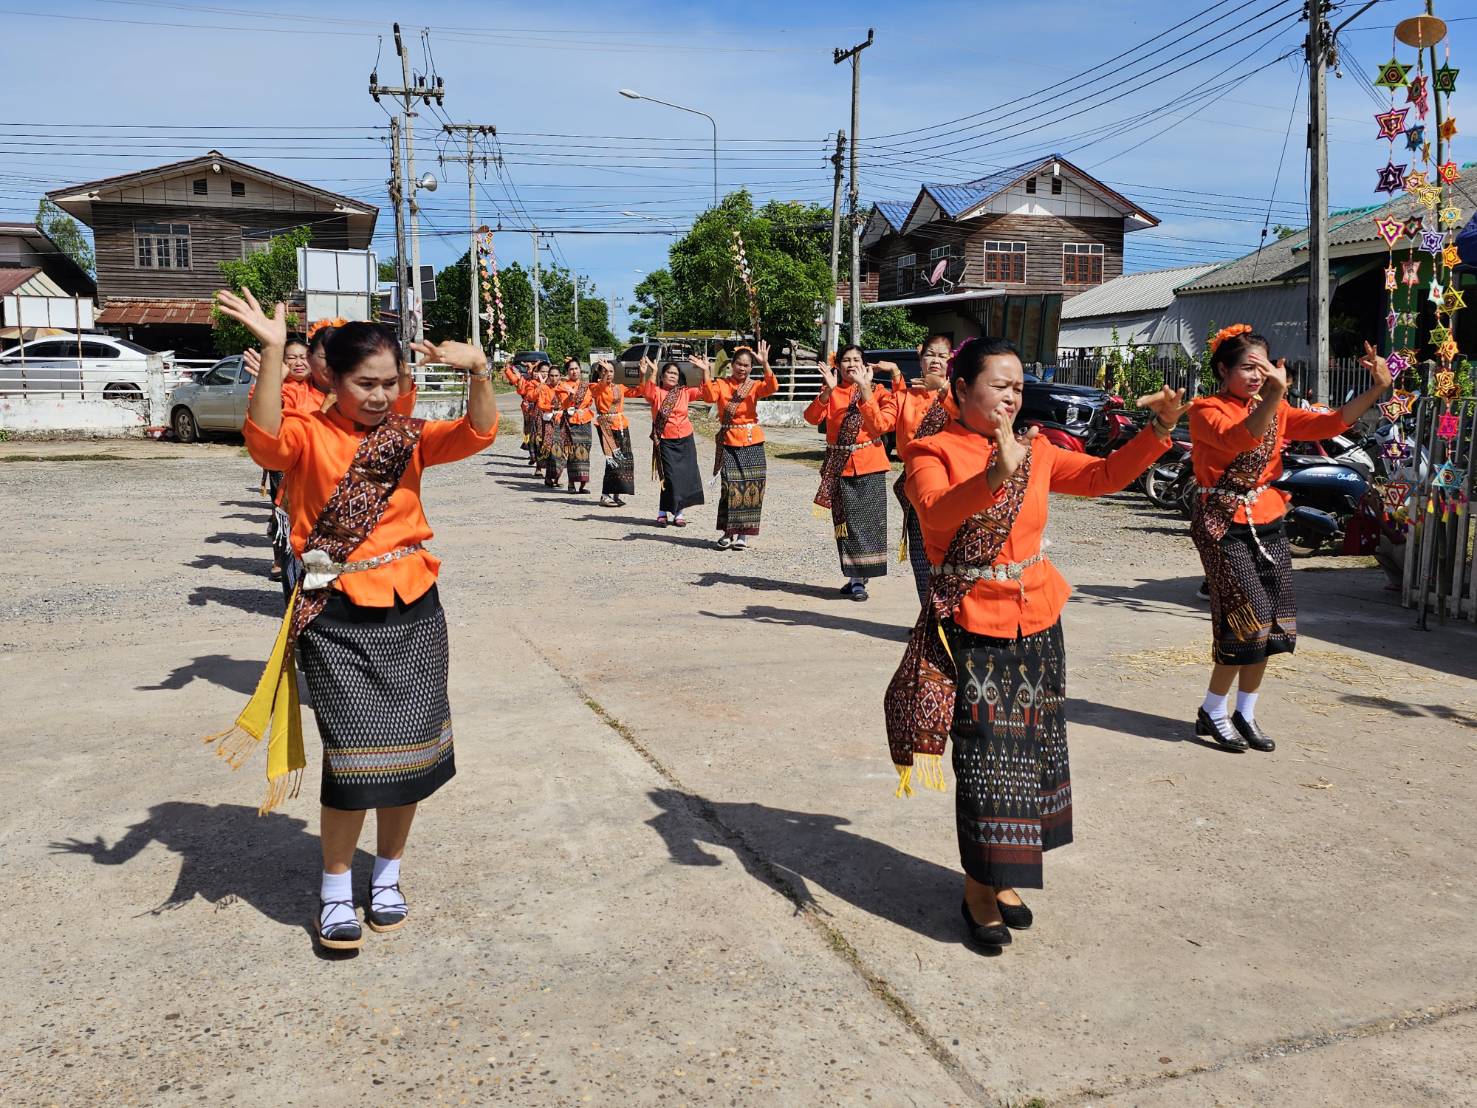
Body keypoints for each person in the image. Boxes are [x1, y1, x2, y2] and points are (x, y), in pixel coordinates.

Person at [211, 287, 498, 952]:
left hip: (415, 609)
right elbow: (262, 443)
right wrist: (275, 350)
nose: (377, 395)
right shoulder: (307, 434)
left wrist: (479, 370)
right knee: (354, 762)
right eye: (364, 383)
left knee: (413, 757)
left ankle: (389, 875)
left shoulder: (409, 437)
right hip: (337, 615)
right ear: (332, 381)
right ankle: (336, 887)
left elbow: (480, 433)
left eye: (389, 382)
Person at [885, 335, 1184, 951]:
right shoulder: (929, 451)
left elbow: (1102, 479)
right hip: (972, 626)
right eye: (999, 384)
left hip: (1040, 621)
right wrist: (996, 473)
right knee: (989, 762)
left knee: (1033, 759)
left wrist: (1157, 430)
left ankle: (1005, 877)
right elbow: (937, 516)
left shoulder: (1039, 450)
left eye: (1018, 385)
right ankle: (976, 887)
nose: (1012, 395)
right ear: (962, 390)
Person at [1188, 326, 1390, 752]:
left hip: (1268, 517)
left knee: (1274, 621)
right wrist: (1277, 397)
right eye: (1248, 367)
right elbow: (1239, 439)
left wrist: (1379, 388)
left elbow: (1331, 423)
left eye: (1264, 366)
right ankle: (1213, 709)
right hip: (1223, 524)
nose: (1258, 376)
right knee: (1248, 620)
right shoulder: (1206, 409)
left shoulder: (1273, 407)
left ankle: (1244, 711)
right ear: (1224, 370)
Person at [804, 344, 899, 600]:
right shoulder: (831, 391)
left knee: (869, 525)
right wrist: (827, 394)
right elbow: (811, 418)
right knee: (845, 525)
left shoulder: (878, 392)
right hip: (839, 467)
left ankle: (859, 577)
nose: (851, 364)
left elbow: (884, 424)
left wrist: (865, 389)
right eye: (846, 360)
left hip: (870, 465)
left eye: (857, 359)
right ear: (838, 365)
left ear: (865, 364)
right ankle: (856, 576)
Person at [892, 335, 956, 604]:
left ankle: (955, 623)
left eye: (943, 356)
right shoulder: (905, 397)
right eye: (930, 354)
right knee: (921, 555)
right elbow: (878, 421)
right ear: (920, 360)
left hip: (952, 488)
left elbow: (972, 420)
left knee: (951, 557)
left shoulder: (960, 394)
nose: (936, 360)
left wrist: (942, 389)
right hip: (917, 488)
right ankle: (928, 620)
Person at [698, 342, 779, 549]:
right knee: (730, 486)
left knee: (752, 487)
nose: (742, 368)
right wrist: (706, 372)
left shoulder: (754, 385)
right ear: (731, 364)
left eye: (747, 365)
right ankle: (728, 532)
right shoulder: (721, 384)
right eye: (739, 364)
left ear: (751, 367)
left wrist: (766, 363)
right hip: (729, 440)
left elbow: (772, 387)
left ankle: (744, 534)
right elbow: (708, 397)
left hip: (752, 441)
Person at [637, 356, 705, 526]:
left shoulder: (684, 392)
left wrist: (705, 371)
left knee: (684, 477)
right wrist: (647, 373)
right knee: (669, 477)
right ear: (662, 376)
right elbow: (646, 391)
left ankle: (679, 514)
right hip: (665, 441)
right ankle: (662, 511)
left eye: (676, 373)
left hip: (685, 439)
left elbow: (705, 391)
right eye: (669, 373)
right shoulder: (656, 393)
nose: (673, 376)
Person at [589, 360, 636, 506]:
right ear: (599, 372)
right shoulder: (595, 386)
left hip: (621, 425)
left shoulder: (619, 387)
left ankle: (616, 493)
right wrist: (602, 375)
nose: (608, 374)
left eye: (610, 371)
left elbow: (637, 392)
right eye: (604, 371)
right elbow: (600, 389)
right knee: (612, 460)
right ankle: (605, 495)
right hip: (606, 425)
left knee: (624, 459)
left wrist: (646, 374)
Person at [554, 358, 595, 494]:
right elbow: (563, 402)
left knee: (585, 452)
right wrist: (571, 398)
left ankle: (583, 484)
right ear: (567, 371)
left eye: (576, 368)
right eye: (571, 369)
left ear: (580, 370)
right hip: (571, 422)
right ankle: (571, 483)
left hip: (585, 422)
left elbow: (590, 402)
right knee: (572, 452)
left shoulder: (586, 386)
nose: (574, 371)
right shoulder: (562, 386)